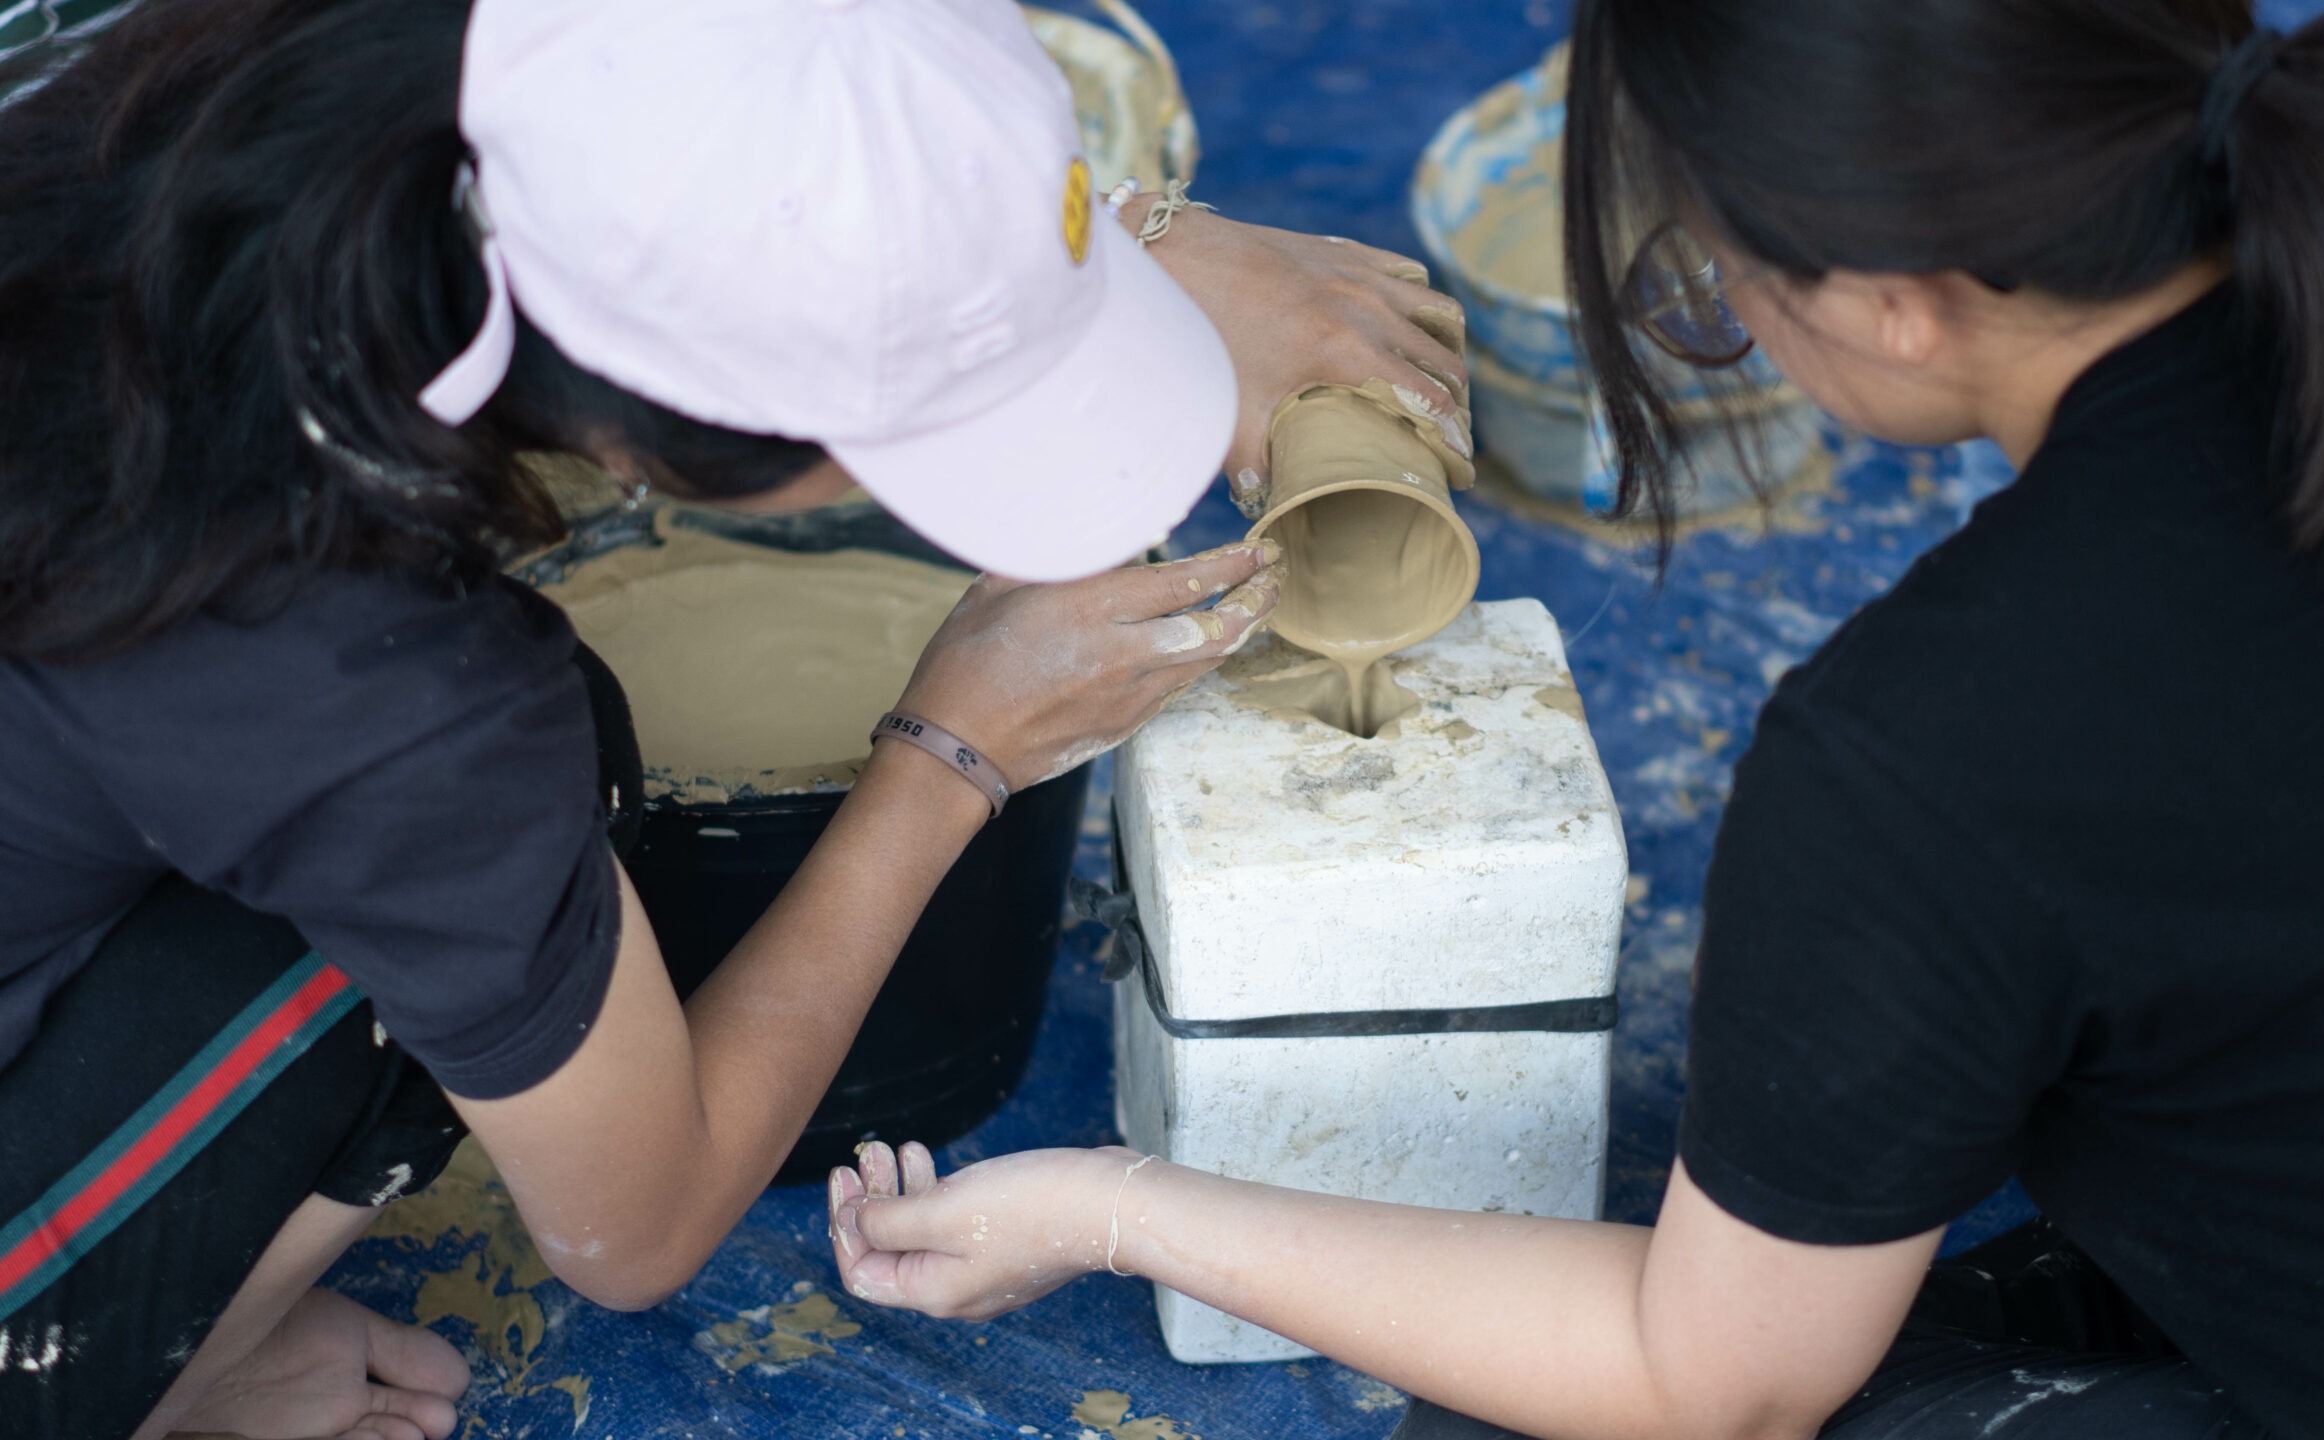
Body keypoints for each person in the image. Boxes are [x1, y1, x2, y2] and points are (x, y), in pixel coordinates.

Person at [823, 2, 2324, 1437]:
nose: (1708, 300)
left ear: (1888, 294)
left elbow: (1712, 1387)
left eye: (1716, 263)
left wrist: (1108, 1205)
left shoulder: (1932, 752)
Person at [0, 0, 1476, 1433]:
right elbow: (631, 1235)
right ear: (653, 447)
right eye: (926, 444)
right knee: (475, 876)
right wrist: (951, 755)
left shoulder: (192, 80)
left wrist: (1114, 241)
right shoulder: (386, 686)